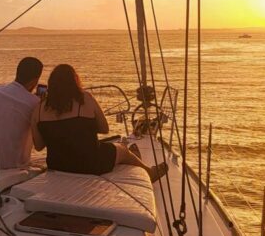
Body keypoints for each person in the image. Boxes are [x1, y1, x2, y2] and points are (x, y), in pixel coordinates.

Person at [31, 64, 168, 182]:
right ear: (74, 82)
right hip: (90, 164)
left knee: (113, 148)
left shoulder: (38, 108)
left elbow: (38, 146)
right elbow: (104, 128)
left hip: (58, 165)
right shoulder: (85, 99)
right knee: (122, 149)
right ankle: (149, 172)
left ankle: (130, 157)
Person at [0, 56, 44, 170]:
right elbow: (40, 145)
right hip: (15, 167)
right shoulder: (35, 103)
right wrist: (43, 105)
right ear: (34, 81)